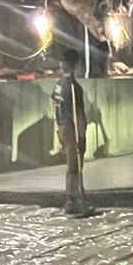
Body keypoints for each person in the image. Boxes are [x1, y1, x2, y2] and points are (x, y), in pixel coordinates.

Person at [53, 46, 95, 218]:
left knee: (73, 166)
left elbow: (52, 101)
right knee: (74, 166)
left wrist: (58, 121)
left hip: (62, 126)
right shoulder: (73, 87)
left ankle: (77, 198)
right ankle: (72, 201)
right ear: (76, 64)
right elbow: (79, 113)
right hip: (71, 129)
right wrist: (82, 136)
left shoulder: (59, 84)